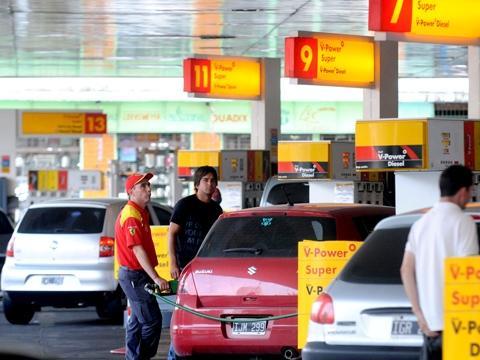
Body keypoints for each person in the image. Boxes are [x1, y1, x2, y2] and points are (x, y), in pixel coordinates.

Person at [400, 164, 479, 360]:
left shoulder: (420, 224)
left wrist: (419, 314)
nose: (469, 197)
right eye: (470, 191)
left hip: (429, 324)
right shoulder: (463, 223)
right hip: (457, 324)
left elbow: (406, 269)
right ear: (463, 191)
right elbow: (466, 274)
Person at [167, 166, 223, 359]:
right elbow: (172, 234)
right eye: (205, 180)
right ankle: (173, 355)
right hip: (186, 268)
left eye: (212, 180)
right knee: (183, 312)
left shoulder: (217, 210)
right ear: (197, 184)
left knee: (206, 312)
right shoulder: (185, 205)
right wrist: (173, 263)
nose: (210, 184)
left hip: (209, 271)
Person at [115, 172, 169, 360]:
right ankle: (141, 357)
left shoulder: (139, 212)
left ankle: (133, 357)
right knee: (152, 321)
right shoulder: (131, 215)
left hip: (135, 275)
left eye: (149, 185)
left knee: (137, 321)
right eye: (143, 186)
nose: (148, 189)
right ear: (131, 191)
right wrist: (155, 277)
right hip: (134, 276)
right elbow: (138, 250)